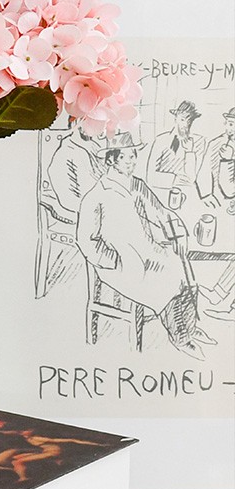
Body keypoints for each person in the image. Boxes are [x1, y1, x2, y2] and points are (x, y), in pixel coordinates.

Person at [77, 133, 214, 359]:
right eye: (126, 157)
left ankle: (190, 327)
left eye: (134, 155)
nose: (132, 161)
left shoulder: (136, 185)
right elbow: (87, 241)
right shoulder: (97, 195)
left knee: (183, 269)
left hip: (147, 252)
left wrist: (179, 234)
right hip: (119, 263)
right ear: (111, 160)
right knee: (167, 280)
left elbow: (162, 213)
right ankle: (181, 337)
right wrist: (114, 260)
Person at [145, 100, 206, 197]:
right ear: (176, 118)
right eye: (182, 119)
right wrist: (177, 179)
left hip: (187, 196)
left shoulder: (199, 141)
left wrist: (189, 152)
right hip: (161, 194)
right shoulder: (161, 140)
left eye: (189, 121)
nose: (186, 125)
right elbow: (150, 177)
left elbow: (191, 178)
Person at [47, 122, 105, 215]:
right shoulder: (71, 151)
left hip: (94, 203)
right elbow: (89, 189)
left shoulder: (92, 146)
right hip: (80, 207)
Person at [197, 107, 235, 211]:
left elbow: (229, 191)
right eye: (229, 124)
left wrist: (228, 161)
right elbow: (204, 170)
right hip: (217, 202)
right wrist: (206, 194)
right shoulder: (216, 144)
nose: (230, 129)